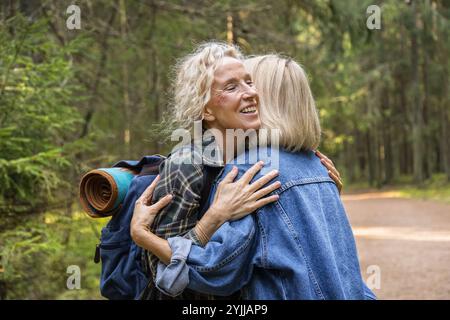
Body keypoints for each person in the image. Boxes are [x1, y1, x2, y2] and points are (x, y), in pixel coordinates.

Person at [131, 54, 375, 300]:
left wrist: (144, 236)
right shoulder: (318, 166)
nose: (250, 93)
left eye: (251, 82)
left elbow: (215, 268)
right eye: (233, 86)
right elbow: (343, 271)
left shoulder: (255, 170)